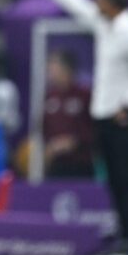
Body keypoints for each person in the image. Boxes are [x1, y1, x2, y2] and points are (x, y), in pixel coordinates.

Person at [20, 0, 128, 255]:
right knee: (113, 180)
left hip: (123, 117)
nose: (95, 3)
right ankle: (122, 237)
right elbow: (75, 3)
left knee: (127, 179)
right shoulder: (105, 25)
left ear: (113, 2)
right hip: (104, 116)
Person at [42, 50, 95, 178]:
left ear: (66, 69)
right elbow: (42, 127)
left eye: (53, 67)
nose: (50, 72)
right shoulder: (49, 97)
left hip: (81, 164)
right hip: (55, 165)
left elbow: (95, 129)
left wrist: (74, 142)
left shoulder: (85, 95)